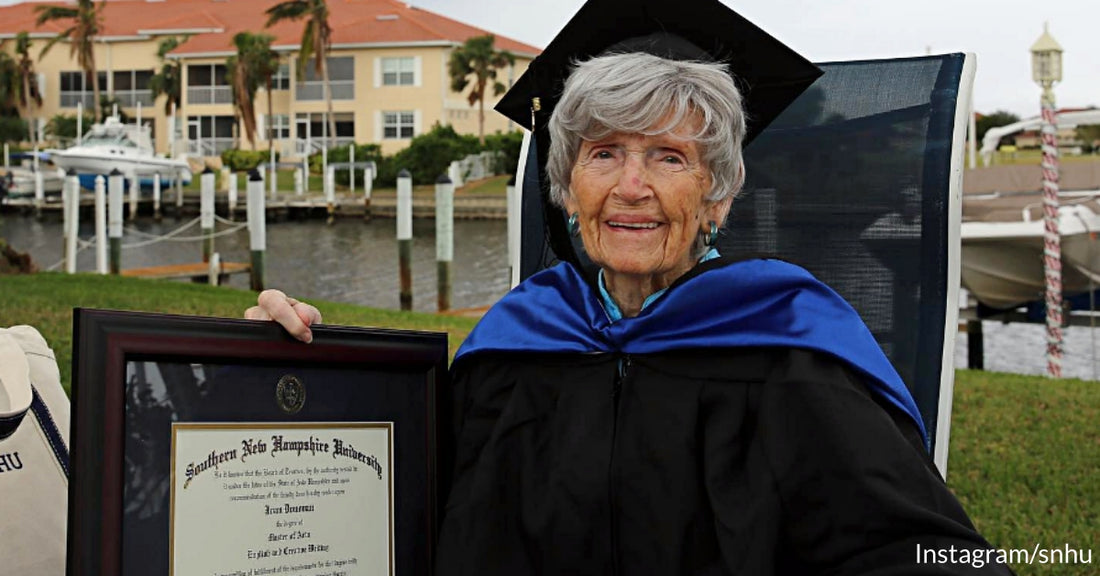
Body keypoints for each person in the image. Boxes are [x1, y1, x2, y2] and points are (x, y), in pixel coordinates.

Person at [248, 0, 1012, 573]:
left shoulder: (791, 350)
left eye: (670, 157)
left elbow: (908, 548)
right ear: (567, 187)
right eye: (604, 153)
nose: (632, 186)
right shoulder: (514, 345)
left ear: (717, 196)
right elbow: (391, 503)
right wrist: (299, 369)